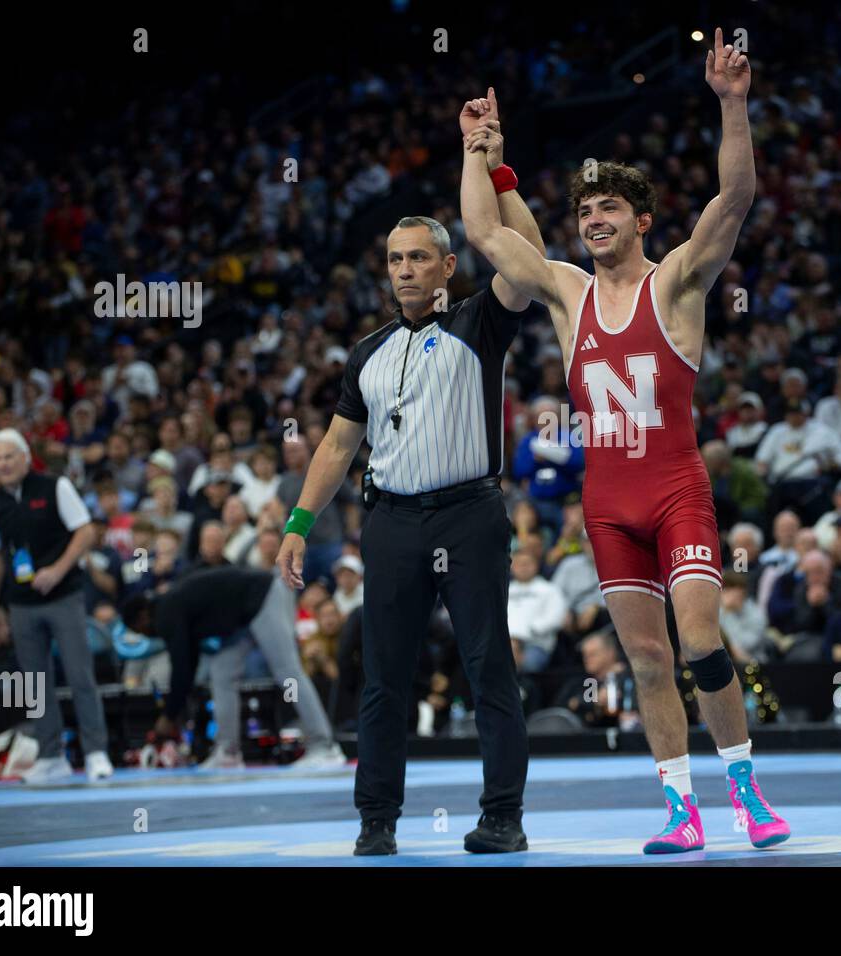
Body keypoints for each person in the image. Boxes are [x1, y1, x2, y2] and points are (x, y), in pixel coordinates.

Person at [460, 39, 790, 854]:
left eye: (608, 209)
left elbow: (737, 196)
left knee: (702, 641)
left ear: (640, 220)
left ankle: (746, 789)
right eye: (583, 212)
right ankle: (681, 809)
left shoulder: (675, 281)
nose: (593, 221)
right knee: (645, 660)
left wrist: (732, 102)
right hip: (608, 502)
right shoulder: (567, 293)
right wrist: (480, 153)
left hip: (677, 486)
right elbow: (484, 233)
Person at [275, 132, 547, 852]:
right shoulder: (365, 352)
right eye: (395, 259)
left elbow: (529, 257)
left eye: (418, 257)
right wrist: (300, 521)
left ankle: (503, 817)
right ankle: (376, 821)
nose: (404, 270)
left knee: (489, 666)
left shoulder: (480, 322)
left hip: (469, 515)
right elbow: (337, 445)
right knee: (383, 677)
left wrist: (491, 163)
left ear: (448, 266)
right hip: (390, 523)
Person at [0, 429, 114, 784]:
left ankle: (96, 752)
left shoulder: (56, 486)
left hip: (64, 595)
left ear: (26, 457)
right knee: (35, 682)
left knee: (79, 672)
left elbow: (84, 531)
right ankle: (51, 755)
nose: (4, 464)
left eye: (9, 456)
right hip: (21, 603)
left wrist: (57, 570)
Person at [121, 566, 345, 771]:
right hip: (241, 617)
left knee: (287, 672)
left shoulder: (165, 613)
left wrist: (168, 716)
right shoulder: (172, 606)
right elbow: (188, 665)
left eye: (139, 630)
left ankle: (325, 747)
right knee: (222, 674)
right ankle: (228, 753)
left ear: (142, 617)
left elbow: (182, 670)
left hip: (264, 595)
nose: (145, 635)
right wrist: (171, 712)